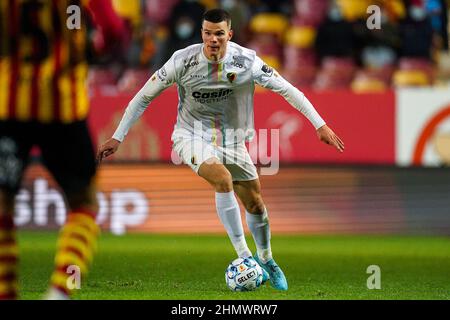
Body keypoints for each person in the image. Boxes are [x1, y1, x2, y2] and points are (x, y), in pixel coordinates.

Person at [97, 8, 344, 291]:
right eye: (207, 33)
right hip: (190, 136)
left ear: (230, 34)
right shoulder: (182, 61)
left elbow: (288, 90)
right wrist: (118, 136)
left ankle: (267, 260)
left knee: (255, 203)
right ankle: (245, 257)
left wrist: (320, 125)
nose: (212, 39)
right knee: (222, 180)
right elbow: (142, 97)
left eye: (218, 33)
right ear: (201, 33)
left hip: (233, 140)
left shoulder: (246, 61)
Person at [0, 0, 129, 300]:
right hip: (64, 110)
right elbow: (111, 30)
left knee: (2, 204)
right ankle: (59, 292)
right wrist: (88, 51)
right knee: (83, 202)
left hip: (8, 106)